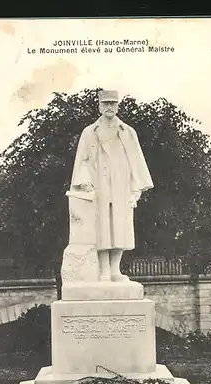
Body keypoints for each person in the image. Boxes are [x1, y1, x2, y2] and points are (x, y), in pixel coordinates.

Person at [70, 89, 153, 282]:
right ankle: (104, 271)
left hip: (121, 184)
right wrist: (84, 181)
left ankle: (116, 269)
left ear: (117, 106)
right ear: (99, 106)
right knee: (101, 228)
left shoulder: (127, 132)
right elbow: (81, 160)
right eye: (105, 103)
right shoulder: (90, 132)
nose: (109, 107)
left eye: (112, 104)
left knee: (120, 227)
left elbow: (136, 161)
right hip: (98, 183)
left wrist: (135, 190)